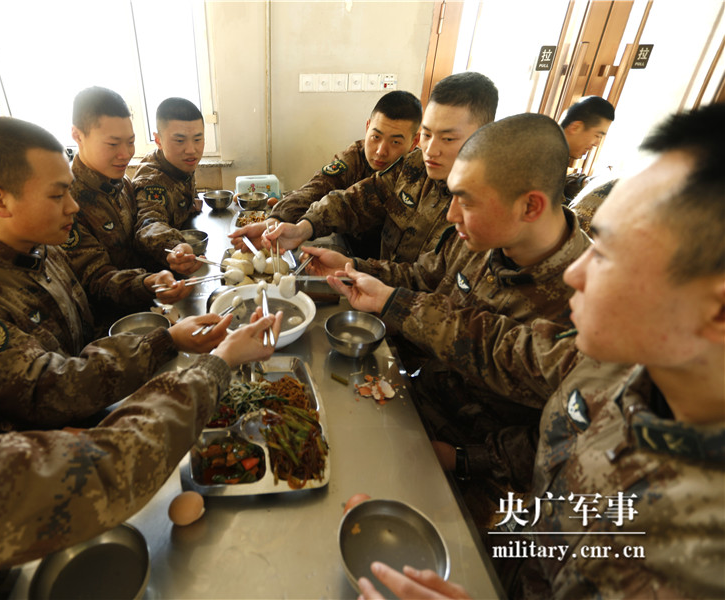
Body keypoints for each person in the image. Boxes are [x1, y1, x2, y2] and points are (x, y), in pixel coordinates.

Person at [0, 122, 281, 598]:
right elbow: (89, 463)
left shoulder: (29, 253)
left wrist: (153, 307)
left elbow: (85, 302)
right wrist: (217, 363)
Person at [329, 103, 725, 598]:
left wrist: (463, 463)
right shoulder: (613, 373)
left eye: (606, 255)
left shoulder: (701, 546)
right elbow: (502, 352)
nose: (577, 271)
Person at [305, 113, 590, 529]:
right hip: (419, 402)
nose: (452, 214)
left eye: (467, 202)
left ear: (530, 206)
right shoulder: (483, 237)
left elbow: (568, 438)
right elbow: (424, 277)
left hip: (484, 470)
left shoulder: (588, 300)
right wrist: (354, 268)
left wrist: (462, 459)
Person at [0, 117, 267, 432]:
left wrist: (146, 284)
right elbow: (49, 389)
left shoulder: (36, 246)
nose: (73, 206)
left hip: (96, 410)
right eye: (57, 195)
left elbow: (89, 298)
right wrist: (165, 341)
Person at [233, 72, 498, 264]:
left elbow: (429, 282)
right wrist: (299, 227)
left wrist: (357, 271)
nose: (431, 149)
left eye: (448, 139)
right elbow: (350, 201)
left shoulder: (488, 208)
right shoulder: (412, 167)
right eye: (428, 135)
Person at [64, 86, 190, 331]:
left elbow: (146, 222)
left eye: (131, 142)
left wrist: (173, 249)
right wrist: (147, 283)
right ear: (77, 136)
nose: (125, 154)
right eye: (112, 144)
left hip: (148, 308)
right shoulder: (67, 202)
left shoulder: (120, 183)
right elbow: (97, 279)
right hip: (112, 328)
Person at [269, 90, 423, 258]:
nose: (381, 151)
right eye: (376, 137)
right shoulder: (355, 157)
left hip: (388, 267)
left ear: (414, 142)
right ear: (367, 127)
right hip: (348, 257)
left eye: (395, 142)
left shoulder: (416, 174)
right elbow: (318, 187)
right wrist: (276, 220)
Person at [133, 97, 206, 275]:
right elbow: (149, 223)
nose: (191, 150)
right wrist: (175, 247)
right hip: (161, 274)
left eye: (198, 139)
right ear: (158, 140)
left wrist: (192, 201)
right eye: (180, 141)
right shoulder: (151, 181)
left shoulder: (179, 162)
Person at [559, 95, 616, 202]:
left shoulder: (557, 152)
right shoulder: (545, 154)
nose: (597, 144)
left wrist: (583, 182)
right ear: (575, 127)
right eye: (597, 135)